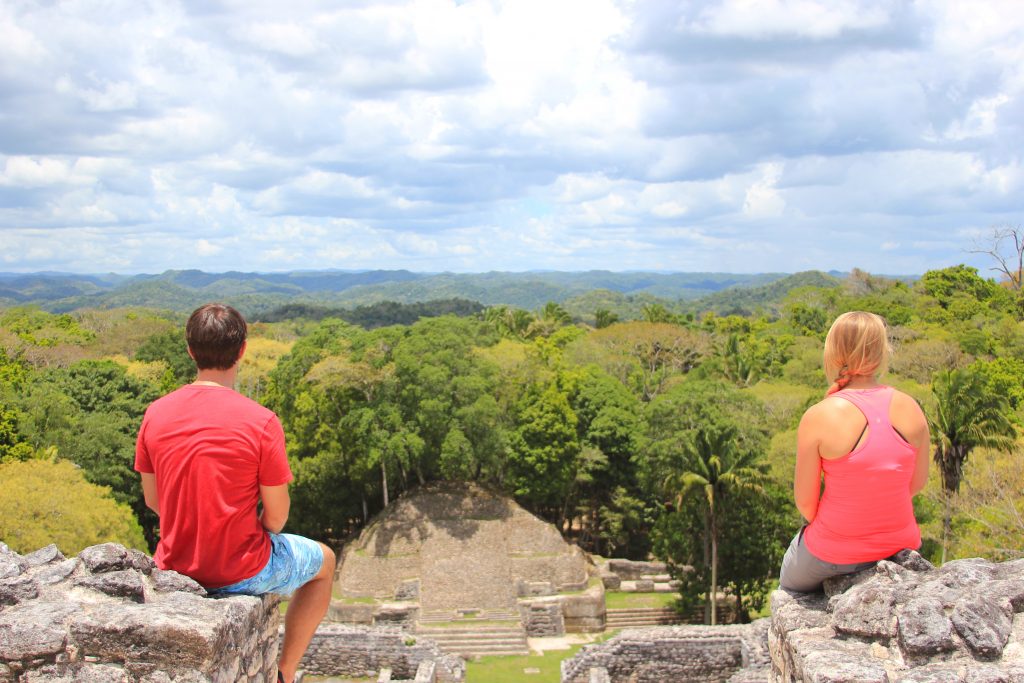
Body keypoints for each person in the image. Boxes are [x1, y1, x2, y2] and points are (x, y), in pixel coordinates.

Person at [135, 303, 335, 683]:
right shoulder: (261, 422)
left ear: (190, 349)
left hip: (175, 564)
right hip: (242, 569)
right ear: (242, 350)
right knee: (324, 562)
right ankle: (285, 672)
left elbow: (153, 500)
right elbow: (276, 517)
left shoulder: (156, 413)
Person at [778, 311, 930, 592]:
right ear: (882, 352)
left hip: (832, 552)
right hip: (900, 544)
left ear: (834, 354)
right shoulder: (911, 407)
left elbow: (806, 504)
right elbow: (916, 483)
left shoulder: (819, 415)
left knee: (788, 587)